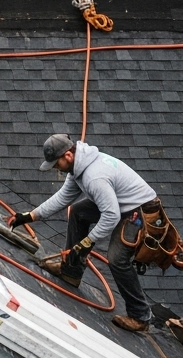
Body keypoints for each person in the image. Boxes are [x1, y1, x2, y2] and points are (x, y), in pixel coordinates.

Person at [9, 133, 157, 332]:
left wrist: (87, 242)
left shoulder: (94, 176)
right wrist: (30, 216)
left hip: (138, 211)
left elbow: (111, 216)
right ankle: (71, 272)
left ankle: (140, 317)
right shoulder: (77, 169)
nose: (56, 168)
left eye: (56, 164)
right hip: (119, 205)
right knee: (79, 212)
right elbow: (63, 198)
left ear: (68, 155)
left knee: (117, 259)